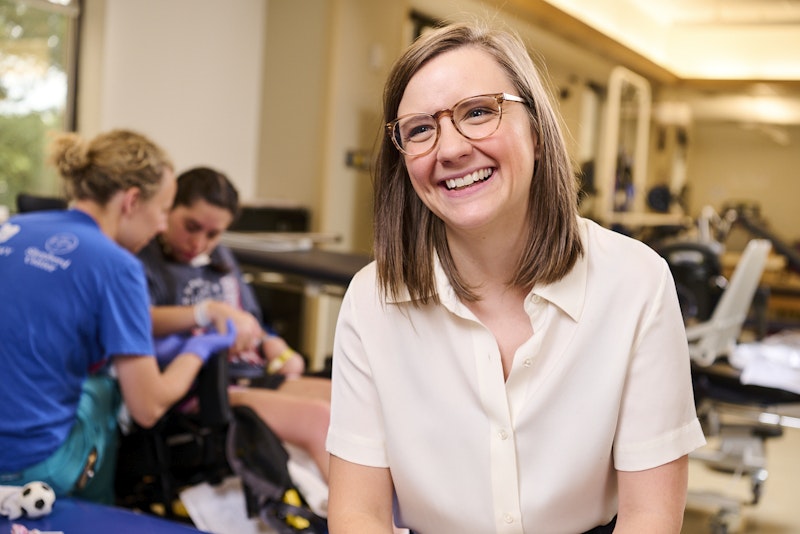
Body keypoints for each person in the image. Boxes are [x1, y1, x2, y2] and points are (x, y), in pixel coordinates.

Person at [325, 21, 707, 534]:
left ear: (537, 130)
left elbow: (650, 515)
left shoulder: (636, 281)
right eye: (420, 129)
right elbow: (358, 513)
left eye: (478, 112)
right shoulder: (372, 300)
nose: (451, 148)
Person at [0, 129, 235, 504]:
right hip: (32, 469)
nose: (161, 225)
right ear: (131, 200)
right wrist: (200, 347)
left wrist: (197, 317)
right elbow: (148, 406)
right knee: (107, 390)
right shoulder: (119, 266)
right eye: (162, 210)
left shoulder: (12, 229)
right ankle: (97, 514)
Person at [137, 166, 332, 480]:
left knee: (354, 403)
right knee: (319, 418)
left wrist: (272, 343)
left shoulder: (222, 260)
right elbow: (137, 319)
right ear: (169, 208)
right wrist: (205, 312)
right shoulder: (146, 260)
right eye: (191, 226)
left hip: (251, 371)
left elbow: (251, 320)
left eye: (212, 234)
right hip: (203, 388)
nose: (198, 242)